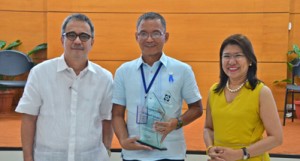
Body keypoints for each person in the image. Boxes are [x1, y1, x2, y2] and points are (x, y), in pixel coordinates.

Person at [15, 13, 113, 161]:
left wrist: (106, 151)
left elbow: (107, 119)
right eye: (71, 35)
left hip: (91, 157)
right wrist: (28, 158)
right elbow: (29, 118)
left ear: (92, 41)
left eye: (84, 36)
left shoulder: (104, 77)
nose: (78, 41)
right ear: (62, 39)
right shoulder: (40, 73)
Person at [112, 12, 203, 161]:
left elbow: (197, 108)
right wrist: (122, 140)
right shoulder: (123, 71)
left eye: (156, 33)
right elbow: (116, 114)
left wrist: (177, 123)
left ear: (165, 36)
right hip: (133, 154)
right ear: (136, 37)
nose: (149, 39)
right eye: (143, 33)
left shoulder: (182, 70)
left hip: (171, 153)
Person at [203, 34, 283, 161]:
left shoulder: (261, 92)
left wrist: (240, 154)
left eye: (238, 56)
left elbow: (277, 138)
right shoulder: (214, 91)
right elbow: (208, 128)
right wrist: (210, 148)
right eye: (226, 56)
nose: (231, 61)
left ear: (250, 60)